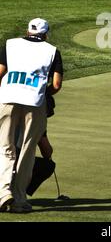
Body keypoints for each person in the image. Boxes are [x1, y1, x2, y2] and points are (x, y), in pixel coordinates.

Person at [0, 18, 63, 213]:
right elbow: (56, 85)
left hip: (8, 98)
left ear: (28, 31)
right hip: (35, 103)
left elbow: (0, 72)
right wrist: (43, 92)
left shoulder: (10, 45)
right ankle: (19, 200)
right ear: (46, 34)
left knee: (5, 147)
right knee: (27, 152)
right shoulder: (52, 51)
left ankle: (3, 192)